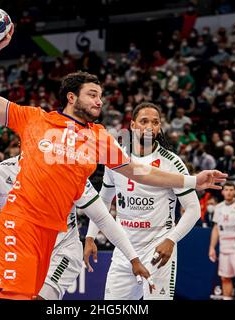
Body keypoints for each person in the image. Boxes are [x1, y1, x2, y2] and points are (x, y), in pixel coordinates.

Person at [0, 26, 226, 299]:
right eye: (92, 94)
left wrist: (192, 181)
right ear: (71, 97)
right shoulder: (35, 118)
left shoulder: (100, 137)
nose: (99, 101)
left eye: (100, 96)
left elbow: (139, 172)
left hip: (53, 232)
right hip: (21, 223)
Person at [0, 156, 153, 300]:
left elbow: (104, 218)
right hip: (25, 255)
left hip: (63, 251)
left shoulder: (69, 171)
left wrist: (133, 258)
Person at [84, 102, 201, 300]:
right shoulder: (116, 158)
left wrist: (171, 240)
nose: (149, 127)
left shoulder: (171, 162)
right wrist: (90, 237)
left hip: (157, 248)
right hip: (125, 249)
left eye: (155, 122)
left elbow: (193, 209)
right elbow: (104, 199)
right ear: (132, 125)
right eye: (144, 121)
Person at [208, 182, 235, 300]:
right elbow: (216, 229)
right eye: (226, 190)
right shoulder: (218, 207)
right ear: (222, 192)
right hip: (224, 249)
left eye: (231, 190)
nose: (229, 192)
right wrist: (212, 247)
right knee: (225, 278)